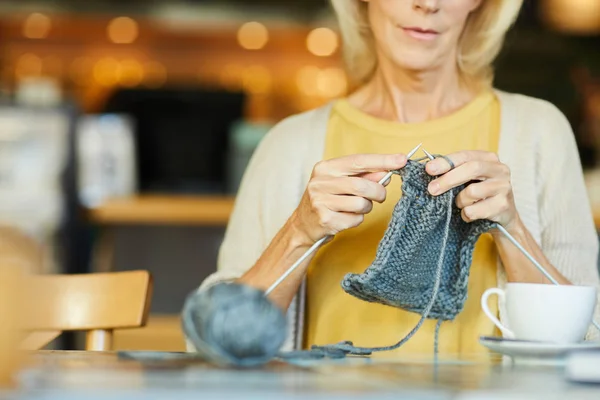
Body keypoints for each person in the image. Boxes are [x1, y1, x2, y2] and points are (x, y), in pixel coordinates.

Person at [193, 0, 600, 356]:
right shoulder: (289, 143)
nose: (427, 3)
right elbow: (213, 344)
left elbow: (589, 337)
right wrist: (299, 231)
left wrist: (512, 230)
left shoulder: (539, 131)